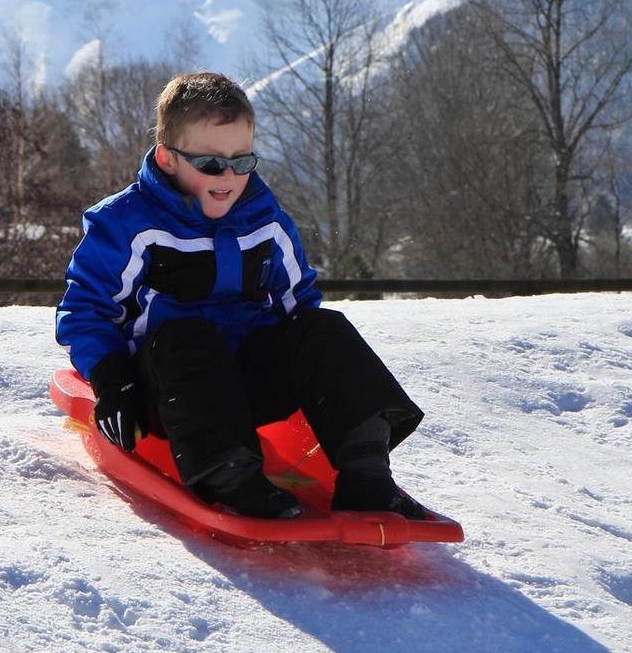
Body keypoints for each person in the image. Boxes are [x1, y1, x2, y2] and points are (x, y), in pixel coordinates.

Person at [55, 71, 425, 520]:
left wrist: (318, 376)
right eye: (210, 163)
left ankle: (365, 470)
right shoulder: (125, 223)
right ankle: (231, 477)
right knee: (186, 336)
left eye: (242, 161)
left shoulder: (264, 219)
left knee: (324, 329)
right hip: (166, 390)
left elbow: (298, 306)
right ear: (168, 159)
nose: (228, 176)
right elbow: (85, 311)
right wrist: (113, 378)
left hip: (244, 383)